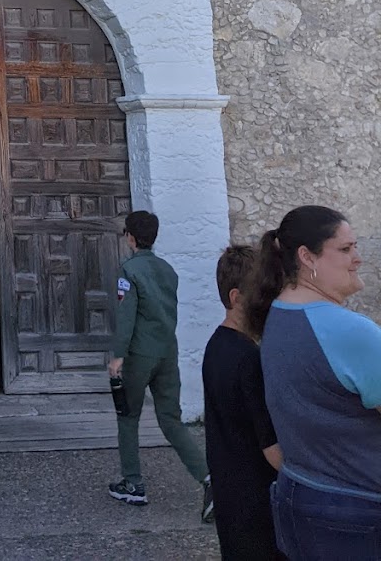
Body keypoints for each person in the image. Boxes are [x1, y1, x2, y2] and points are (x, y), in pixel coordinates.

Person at [245, 205, 381, 560]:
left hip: (300, 495)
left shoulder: (278, 313)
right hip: (356, 511)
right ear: (307, 256)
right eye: (346, 249)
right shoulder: (351, 331)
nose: (358, 259)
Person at [108, 210, 212, 520]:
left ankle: (133, 483)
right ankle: (208, 478)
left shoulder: (129, 271)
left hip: (140, 355)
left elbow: (127, 318)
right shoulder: (168, 270)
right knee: (171, 420)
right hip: (168, 352)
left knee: (128, 416)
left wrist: (117, 357)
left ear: (130, 238)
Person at [202, 245, 283, 561]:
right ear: (236, 298)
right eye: (262, 295)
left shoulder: (215, 345)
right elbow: (272, 450)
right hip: (256, 503)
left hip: (229, 494)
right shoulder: (248, 357)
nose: (269, 303)